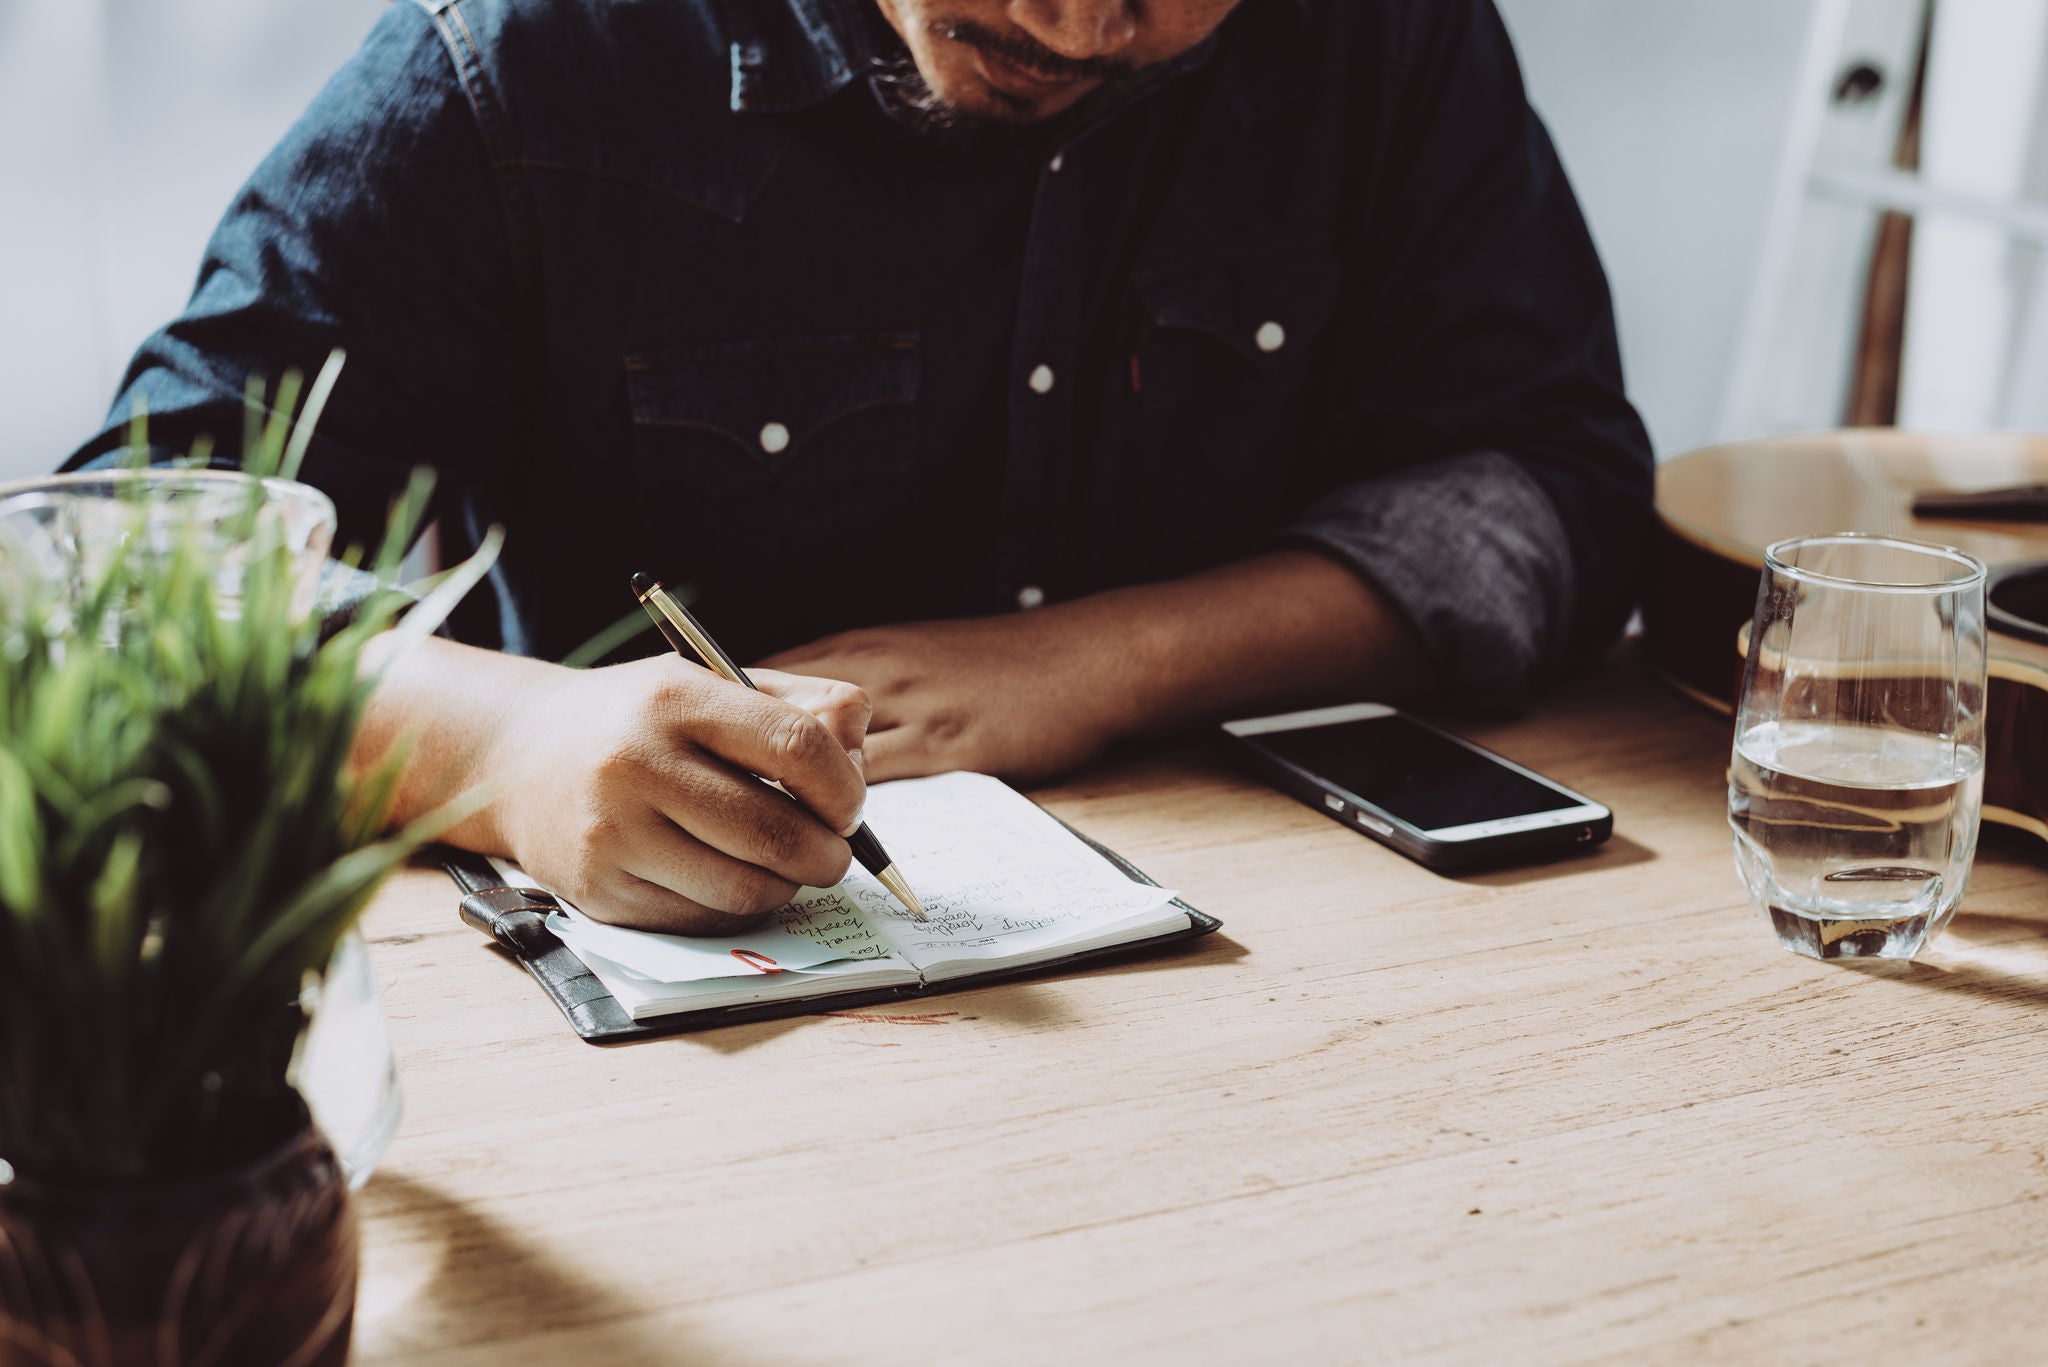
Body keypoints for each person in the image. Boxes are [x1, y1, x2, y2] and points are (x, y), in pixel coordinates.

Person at [68, 0, 1654, 933]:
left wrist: (1095, 664)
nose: (1089, 23)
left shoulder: (1381, 38)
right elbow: (96, 593)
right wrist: (505, 752)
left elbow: (1554, 481)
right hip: (716, 1028)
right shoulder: (524, 64)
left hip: (1311, 971)